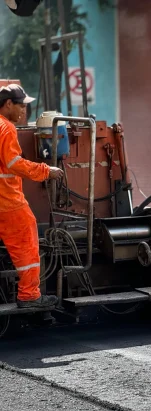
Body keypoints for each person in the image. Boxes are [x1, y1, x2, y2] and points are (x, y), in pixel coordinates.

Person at [0, 84, 63, 308]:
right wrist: (46, 171)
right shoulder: (6, 129)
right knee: (27, 240)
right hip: (8, 201)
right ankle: (29, 296)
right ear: (8, 104)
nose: (24, 111)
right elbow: (14, 163)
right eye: (21, 106)